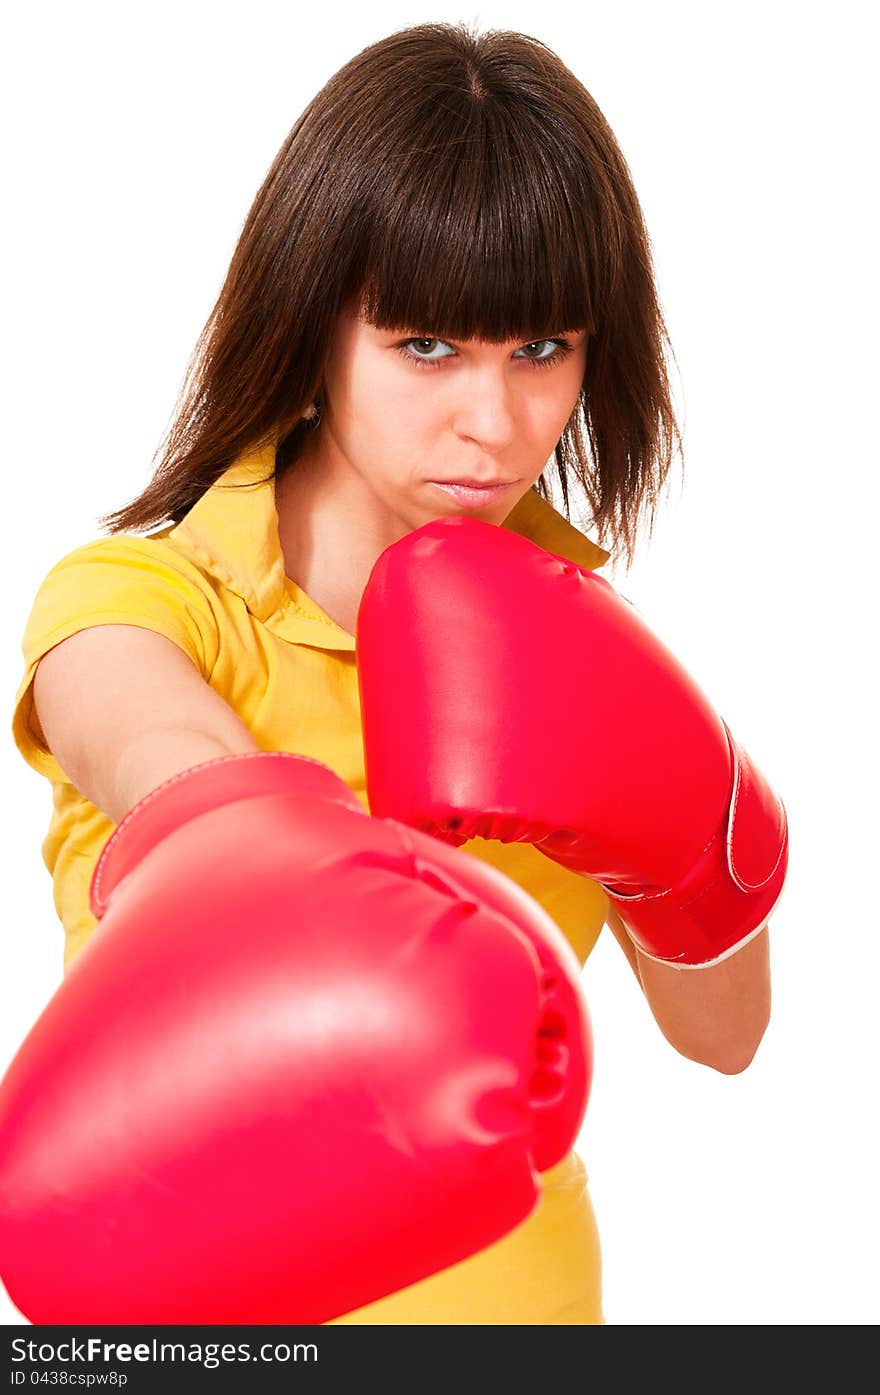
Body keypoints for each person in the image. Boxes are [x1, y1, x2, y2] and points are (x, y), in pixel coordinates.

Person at [3, 22, 786, 1324]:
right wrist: (273, 848)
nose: (496, 422)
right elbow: (157, 751)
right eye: (428, 345)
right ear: (315, 329)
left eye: (542, 349)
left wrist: (691, 846)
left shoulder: (570, 643)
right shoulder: (144, 604)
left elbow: (726, 1039)